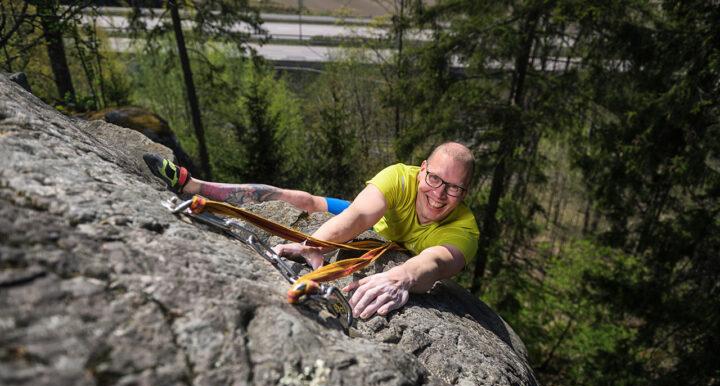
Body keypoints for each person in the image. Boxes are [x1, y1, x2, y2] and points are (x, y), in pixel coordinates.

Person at [143, 141, 479, 319]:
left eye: (453, 188)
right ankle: (196, 185)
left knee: (304, 200)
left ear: (464, 194)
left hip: (383, 234)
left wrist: (401, 276)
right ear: (421, 171)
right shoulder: (398, 177)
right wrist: (313, 243)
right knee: (297, 198)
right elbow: (360, 215)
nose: (439, 193)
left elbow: (435, 262)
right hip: (365, 217)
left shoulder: (464, 229)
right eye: (434, 179)